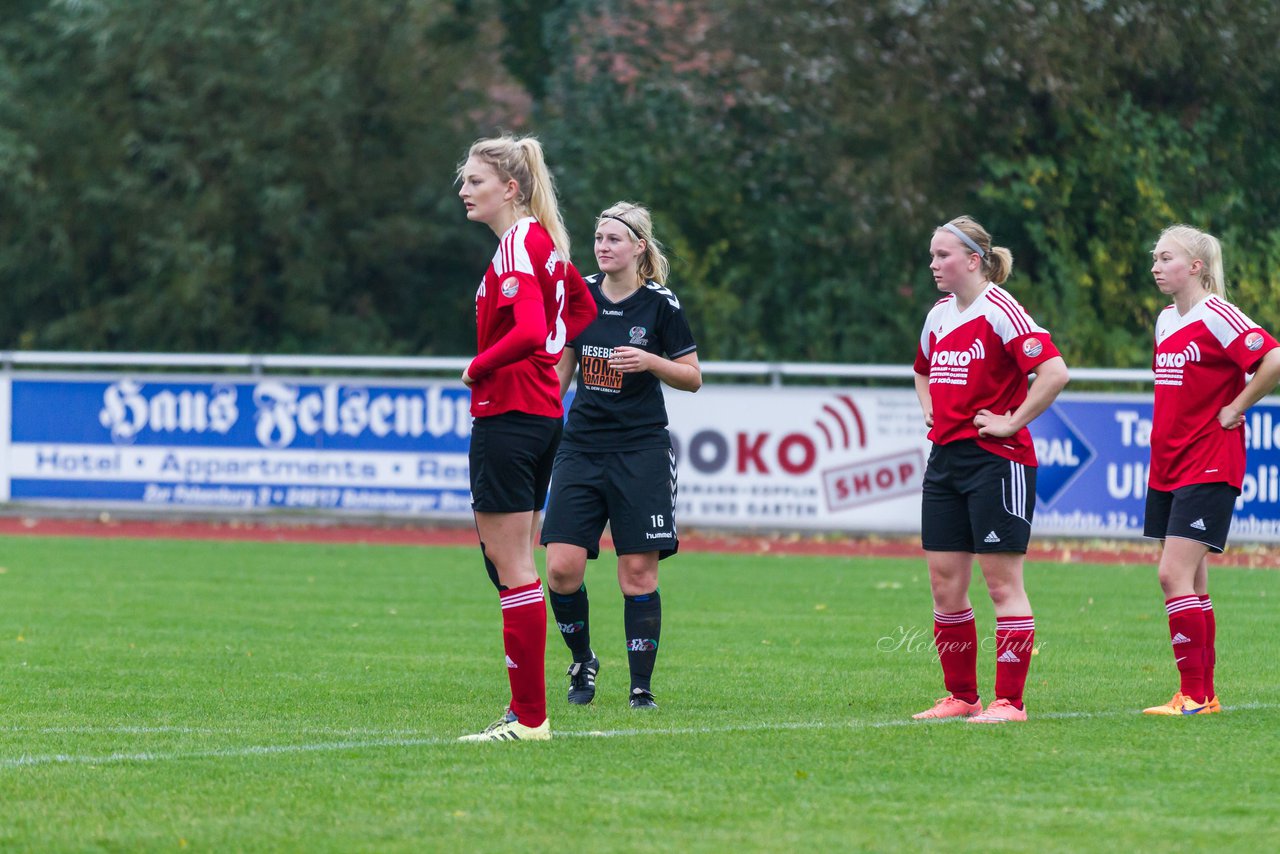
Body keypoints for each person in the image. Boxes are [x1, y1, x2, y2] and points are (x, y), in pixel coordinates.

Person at [454, 135, 597, 742]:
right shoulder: (544, 246)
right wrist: (546, 367)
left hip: (509, 412)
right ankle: (526, 711)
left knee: (512, 567)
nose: (464, 191)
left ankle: (530, 718)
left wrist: (480, 365)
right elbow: (581, 311)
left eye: (475, 181)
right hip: (539, 415)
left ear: (510, 188)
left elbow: (535, 330)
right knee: (511, 563)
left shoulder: (518, 244)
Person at [540, 202, 701, 710]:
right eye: (598, 238)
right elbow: (561, 370)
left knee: (636, 573)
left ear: (638, 247)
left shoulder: (660, 305)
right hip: (582, 448)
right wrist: (541, 426)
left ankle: (640, 688)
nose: (603, 246)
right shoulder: (579, 296)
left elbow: (692, 377)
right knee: (561, 569)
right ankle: (583, 658)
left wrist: (651, 361)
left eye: (613, 239)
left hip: (641, 450)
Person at [910, 215, 1069, 724]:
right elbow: (921, 370)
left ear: (974, 260)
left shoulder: (1001, 309)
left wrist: (1012, 421)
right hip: (946, 461)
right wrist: (929, 407)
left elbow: (1054, 371)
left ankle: (1010, 703)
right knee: (944, 584)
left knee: (1002, 585)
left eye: (943, 255)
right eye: (932, 256)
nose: (934, 264)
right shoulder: (938, 314)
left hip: (998, 463)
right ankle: (962, 696)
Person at [1141, 224, 1280, 716]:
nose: (1156, 267)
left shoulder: (1217, 313)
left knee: (1171, 574)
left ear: (1195, 267)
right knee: (1193, 581)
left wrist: (1236, 405)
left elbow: (1272, 358)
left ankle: (1195, 695)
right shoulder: (1164, 321)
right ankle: (1202, 694)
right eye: (1155, 259)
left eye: (1166, 258)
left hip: (1209, 459)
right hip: (1168, 464)